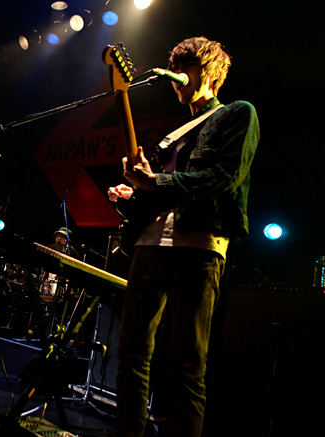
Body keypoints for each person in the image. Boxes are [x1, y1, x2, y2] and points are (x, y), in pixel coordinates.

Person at [107, 37, 259, 436]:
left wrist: (154, 182)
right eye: (175, 68)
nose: (177, 77)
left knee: (186, 363)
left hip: (198, 247)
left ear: (208, 72)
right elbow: (163, 193)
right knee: (131, 355)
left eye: (186, 67)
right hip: (148, 246)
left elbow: (222, 177)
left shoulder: (237, 114)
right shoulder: (175, 134)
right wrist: (135, 194)